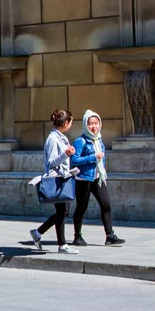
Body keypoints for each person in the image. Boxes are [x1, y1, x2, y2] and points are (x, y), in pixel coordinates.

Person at [71, 110, 125, 246]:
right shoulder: (80, 141)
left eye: (96, 123)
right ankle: (77, 236)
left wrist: (103, 174)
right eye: (90, 124)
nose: (94, 127)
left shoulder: (98, 139)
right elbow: (74, 160)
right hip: (83, 179)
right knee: (81, 208)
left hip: (97, 178)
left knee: (106, 204)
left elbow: (102, 159)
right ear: (85, 125)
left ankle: (110, 235)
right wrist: (92, 157)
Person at [30, 108, 80, 254]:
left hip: (62, 177)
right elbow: (51, 162)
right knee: (63, 211)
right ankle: (56, 241)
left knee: (63, 211)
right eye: (70, 122)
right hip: (56, 179)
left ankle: (45, 236)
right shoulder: (53, 139)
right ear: (65, 122)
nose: (71, 125)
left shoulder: (60, 137)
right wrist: (66, 154)